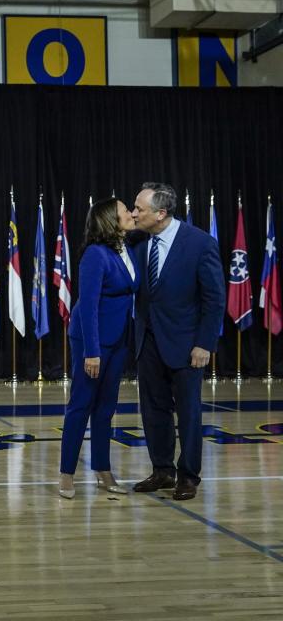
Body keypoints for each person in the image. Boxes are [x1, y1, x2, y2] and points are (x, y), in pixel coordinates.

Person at [130, 182, 225, 500]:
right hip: (148, 341)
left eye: (139, 209)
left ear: (161, 213)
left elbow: (214, 298)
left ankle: (188, 475)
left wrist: (205, 343)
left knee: (188, 412)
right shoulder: (138, 243)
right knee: (153, 409)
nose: (134, 213)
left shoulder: (199, 243)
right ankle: (162, 470)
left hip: (187, 345)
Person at [59, 199, 138, 499]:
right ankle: (67, 473)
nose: (131, 214)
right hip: (91, 340)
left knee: (106, 408)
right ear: (111, 221)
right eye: (125, 212)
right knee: (81, 406)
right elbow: (89, 306)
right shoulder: (95, 255)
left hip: (118, 340)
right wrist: (92, 352)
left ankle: (103, 470)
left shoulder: (125, 249)